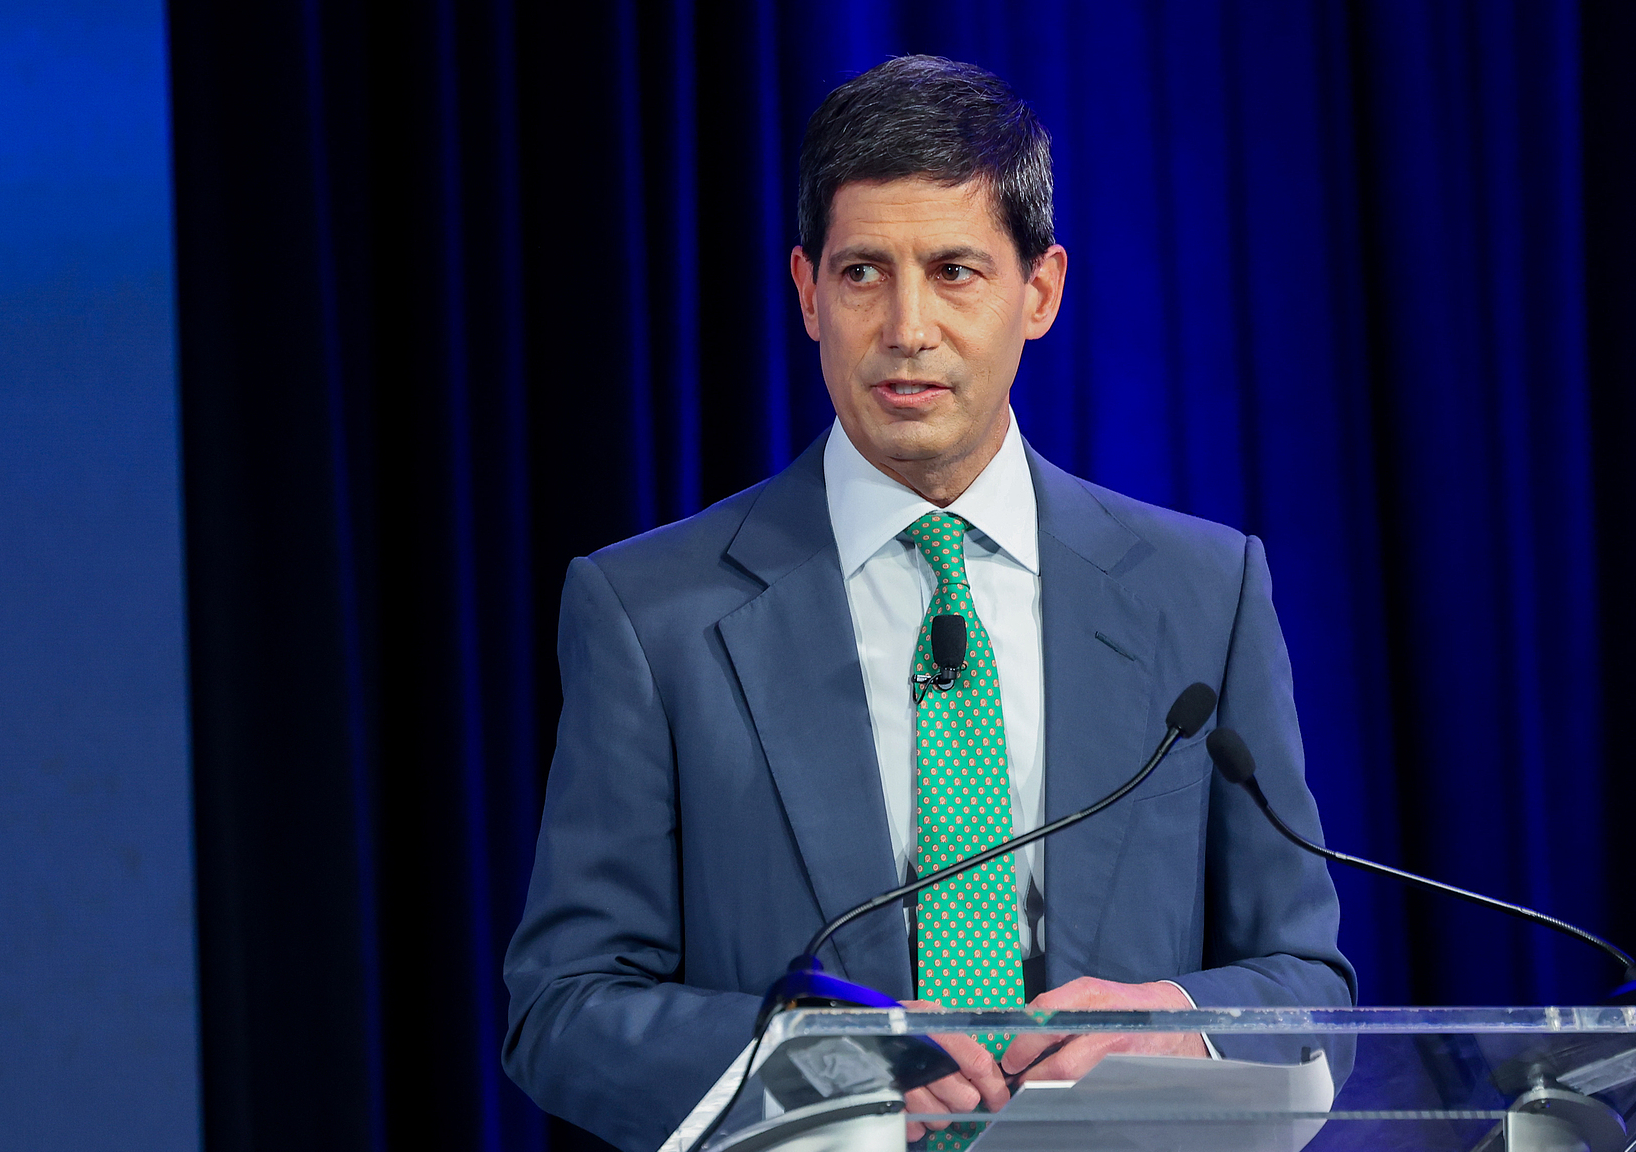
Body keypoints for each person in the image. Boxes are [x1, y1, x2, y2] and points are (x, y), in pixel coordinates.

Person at [502, 55, 1353, 1152]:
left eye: (954, 270)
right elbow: (564, 1010)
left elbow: (1307, 981)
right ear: (807, 293)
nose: (906, 326)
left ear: (1037, 292)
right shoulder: (647, 612)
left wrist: (1179, 1023)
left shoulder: (1203, 590)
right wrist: (815, 1074)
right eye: (864, 274)